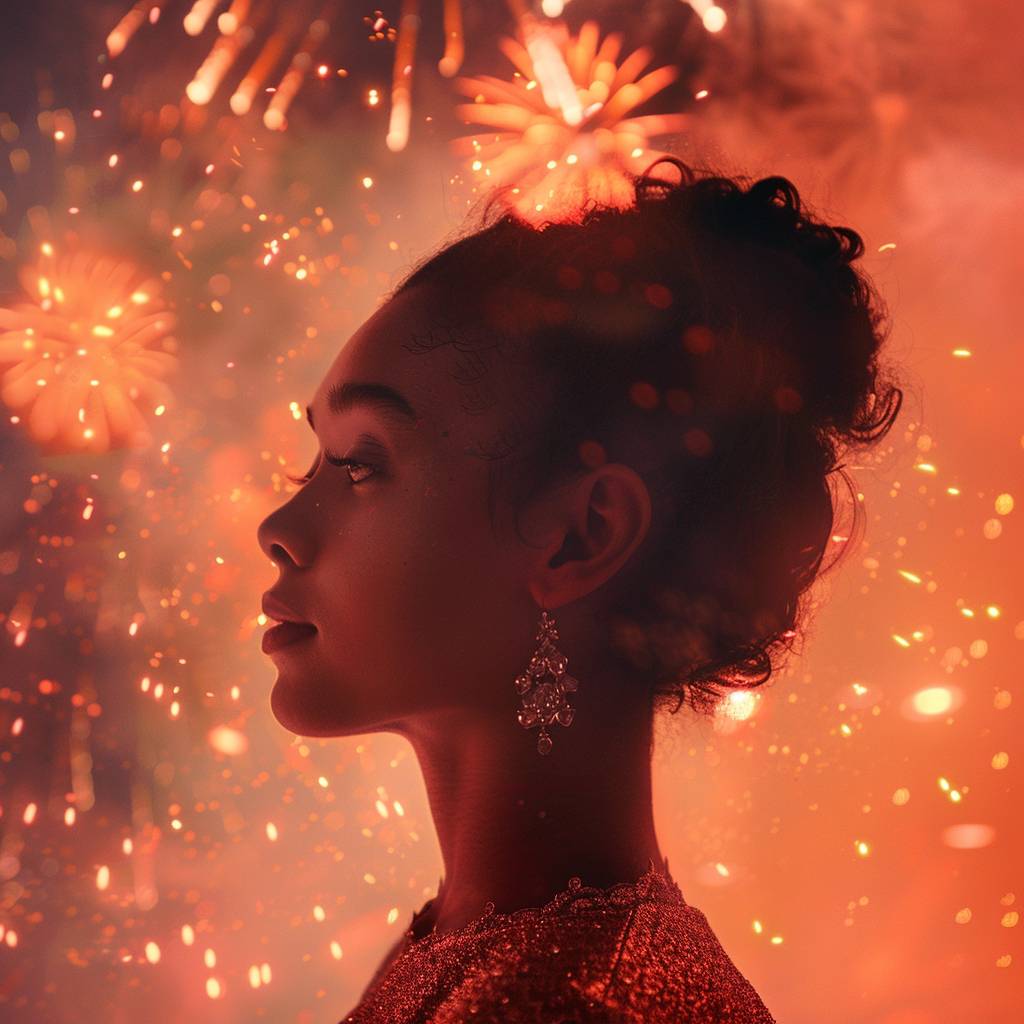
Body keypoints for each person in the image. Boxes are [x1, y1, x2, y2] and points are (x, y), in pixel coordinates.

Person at [256, 157, 904, 1022]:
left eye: (359, 464)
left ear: (581, 537)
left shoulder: (567, 999)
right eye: (314, 459)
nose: (280, 525)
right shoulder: (474, 943)